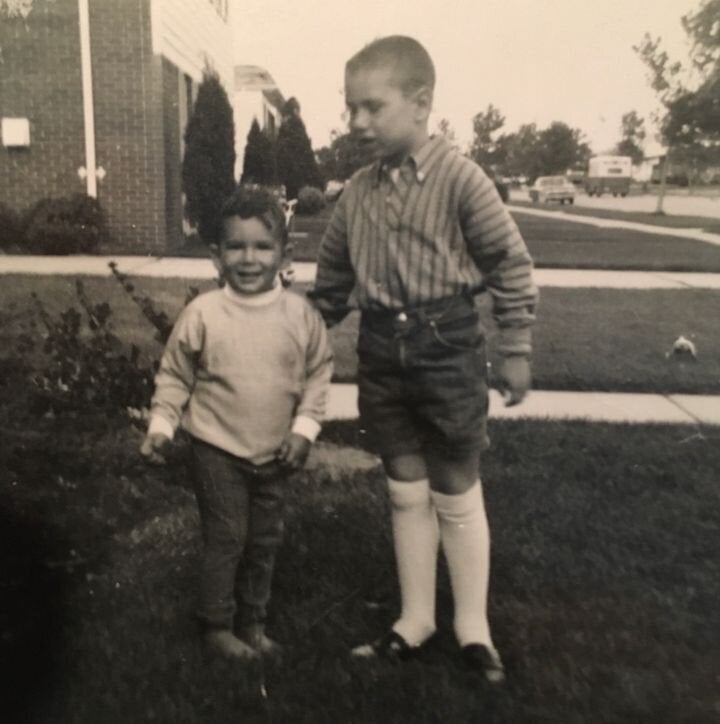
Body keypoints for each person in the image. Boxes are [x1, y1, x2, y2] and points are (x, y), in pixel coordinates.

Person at [309, 36, 538, 683]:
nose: (356, 123)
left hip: (448, 348)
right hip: (382, 352)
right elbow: (329, 286)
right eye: (350, 108)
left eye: (371, 108)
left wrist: (516, 346)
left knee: (455, 486)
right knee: (405, 488)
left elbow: (510, 265)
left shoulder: (462, 179)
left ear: (420, 104)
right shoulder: (355, 193)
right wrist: (292, 335)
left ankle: (473, 628)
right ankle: (415, 621)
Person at [141, 186, 333, 660]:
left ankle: (253, 623)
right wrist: (162, 427)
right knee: (227, 536)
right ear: (216, 256)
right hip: (216, 449)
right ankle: (216, 626)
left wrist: (304, 430)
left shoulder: (300, 316)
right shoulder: (204, 314)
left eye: (263, 246)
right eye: (236, 246)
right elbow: (175, 376)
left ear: (284, 254)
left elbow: (318, 375)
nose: (249, 259)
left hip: (276, 451)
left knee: (264, 539)